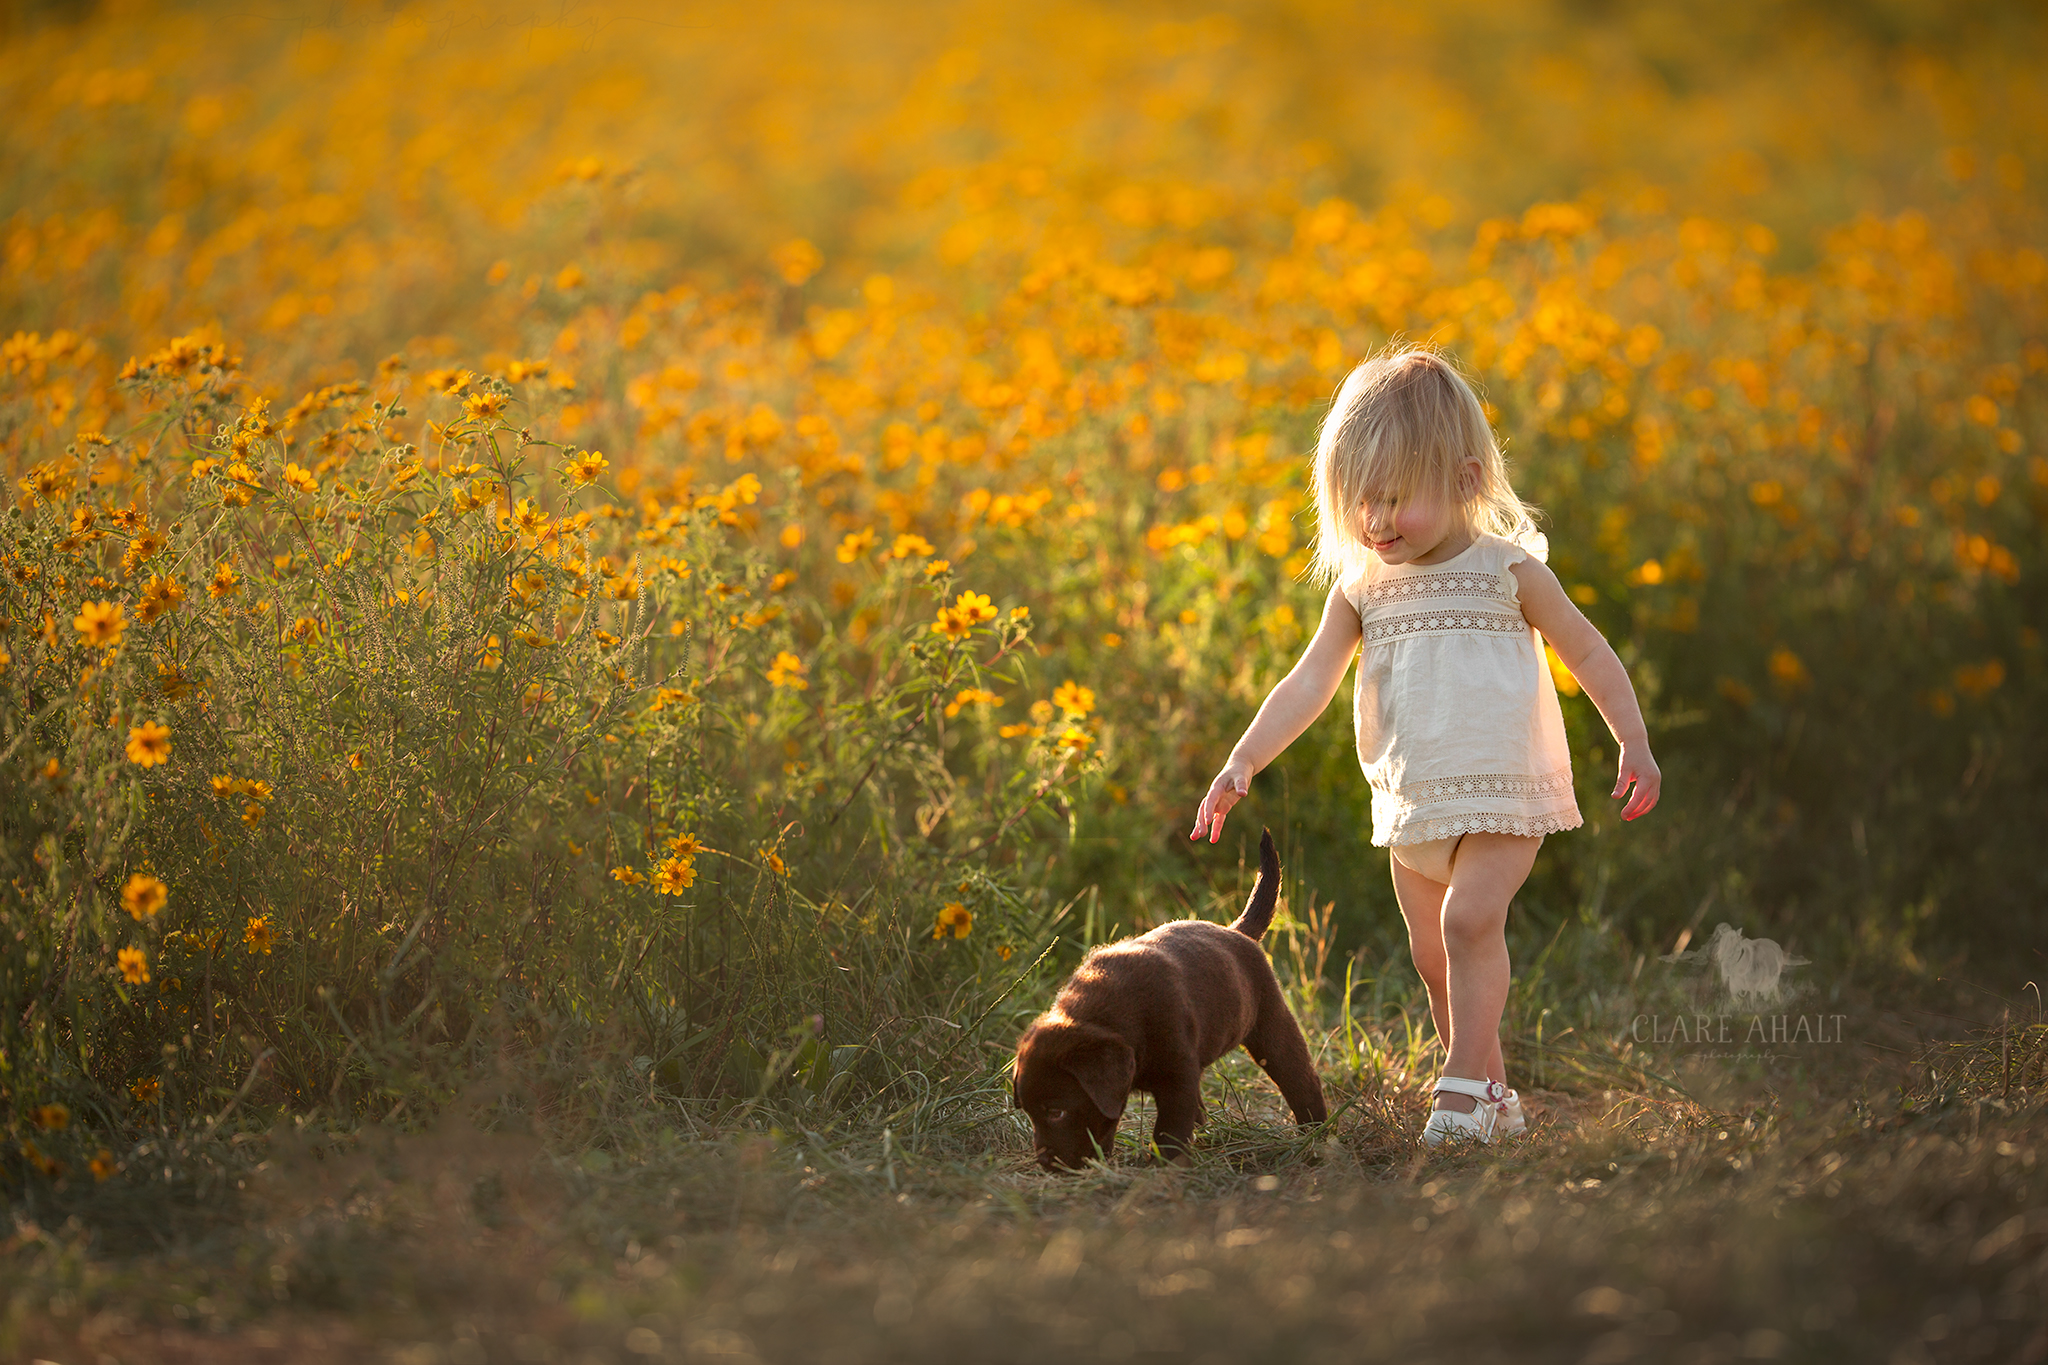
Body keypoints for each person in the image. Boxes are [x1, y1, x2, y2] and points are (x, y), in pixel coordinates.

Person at [1189, 346, 1661, 1145]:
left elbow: (1587, 649)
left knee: (1470, 921)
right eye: (1360, 501)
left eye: (1396, 498)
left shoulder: (1507, 569)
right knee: (1435, 958)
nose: (1374, 521)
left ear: (1467, 480)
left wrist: (1633, 739)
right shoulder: (1362, 587)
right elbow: (1307, 684)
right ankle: (1496, 1098)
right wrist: (1243, 759)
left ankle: (1460, 1093)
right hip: (1414, 800)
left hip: (1505, 791)